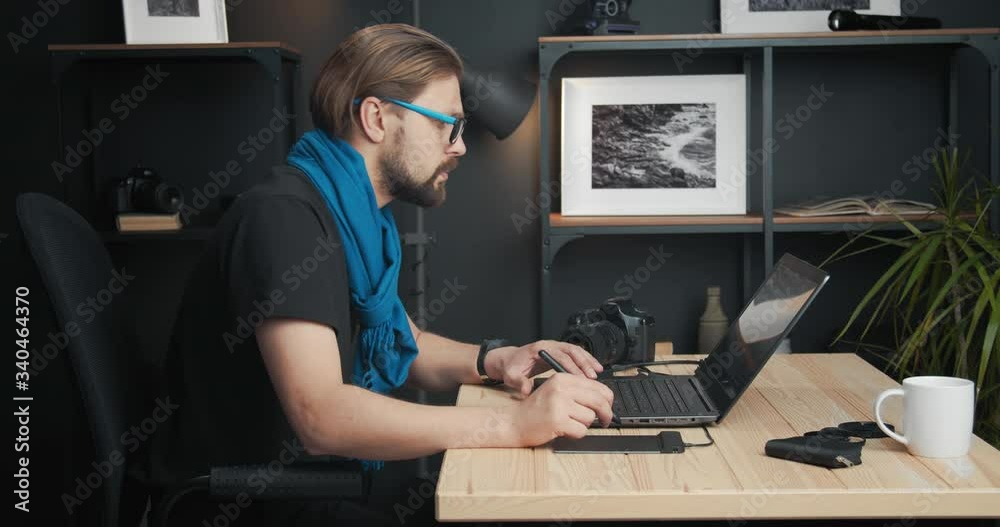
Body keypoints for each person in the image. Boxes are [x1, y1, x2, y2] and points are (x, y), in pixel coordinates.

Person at [148, 23, 615, 525]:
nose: (459, 147)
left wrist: (496, 359)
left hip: (316, 484)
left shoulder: (356, 219)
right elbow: (321, 416)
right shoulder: (284, 219)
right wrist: (512, 422)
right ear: (376, 118)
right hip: (254, 503)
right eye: (448, 124)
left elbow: (402, 343)